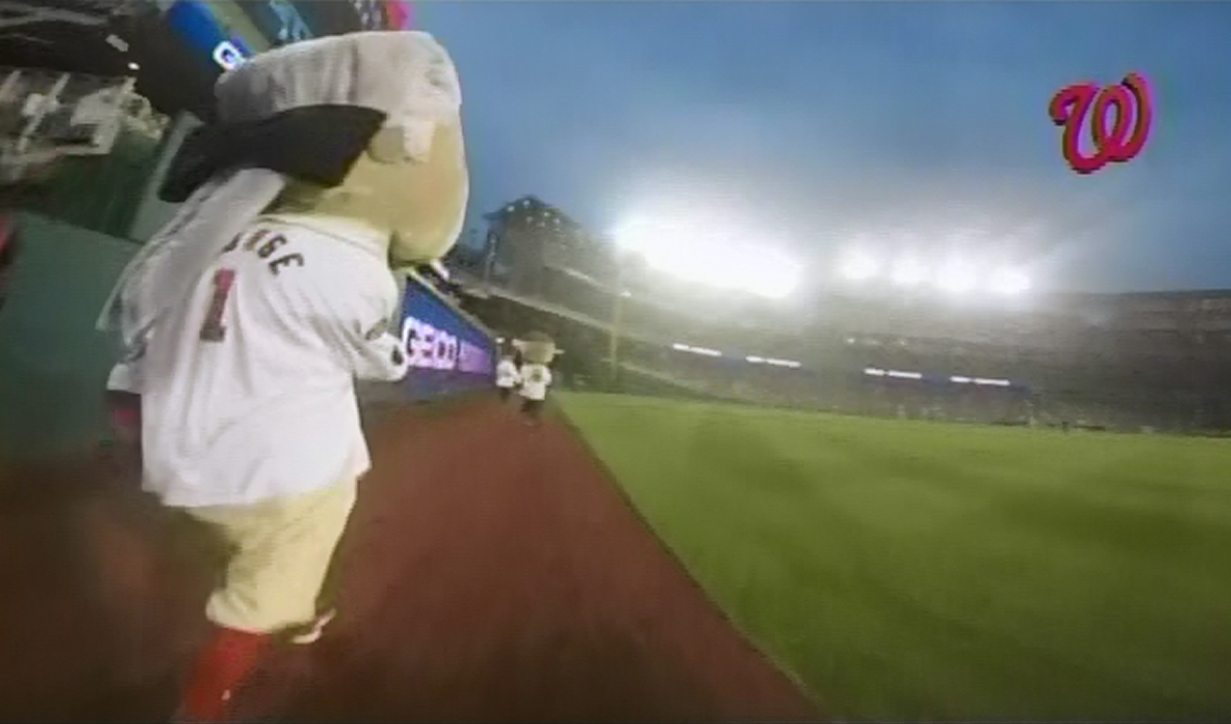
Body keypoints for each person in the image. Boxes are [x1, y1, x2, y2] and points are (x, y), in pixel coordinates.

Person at [96, 30, 468, 723]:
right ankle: (207, 700)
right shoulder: (357, 262)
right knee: (284, 555)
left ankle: (287, 592)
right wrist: (391, 357)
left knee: (322, 461)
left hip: (173, 446)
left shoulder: (216, 236)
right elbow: (373, 358)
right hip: (274, 472)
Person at [518, 358, 553, 424]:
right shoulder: (544, 369)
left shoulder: (527, 367)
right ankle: (535, 420)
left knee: (531, 404)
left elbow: (523, 378)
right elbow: (548, 380)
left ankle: (531, 418)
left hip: (530, 389)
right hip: (539, 390)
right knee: (537, 406)